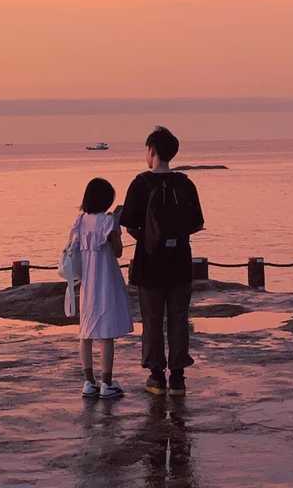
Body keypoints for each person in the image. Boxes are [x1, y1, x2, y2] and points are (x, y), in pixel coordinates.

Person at [120, 126, 204, 396]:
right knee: (179, 318)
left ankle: (156, 376)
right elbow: (196, 223)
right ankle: (178, 377)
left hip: (149, 263)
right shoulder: (185, 184)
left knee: (152, 320)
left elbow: (129, 224)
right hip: (179, 261)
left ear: (151, 151)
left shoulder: (140, 183)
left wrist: (148, 239)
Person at [66, 177, 133, 399]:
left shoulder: (79, 221)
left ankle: (88, 382)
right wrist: (117, 225)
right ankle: (107, 383)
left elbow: (70, 248)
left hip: (87, 282)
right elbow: (117, 251)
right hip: (106, 279)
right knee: (106, 334)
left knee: (85, 332)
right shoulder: (108, 221)